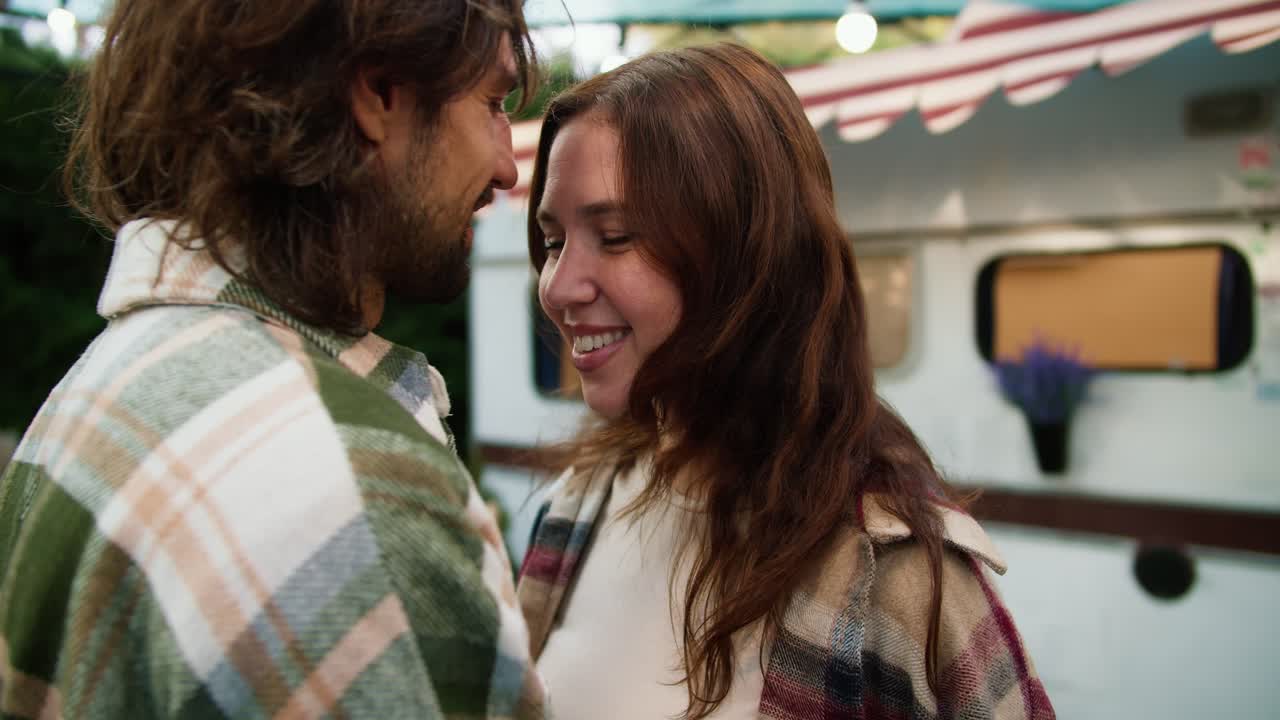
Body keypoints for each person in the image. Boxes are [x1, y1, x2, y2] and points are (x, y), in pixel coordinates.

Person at [0, 1, 547, 717]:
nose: (507, 167)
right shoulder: (353, 491)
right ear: (379, 95)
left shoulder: (98, 386)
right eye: (493, 102)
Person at [518, 44, 1055, 720]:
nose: (558, 285)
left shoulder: (900, 578)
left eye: (616, 235)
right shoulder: (579, 505)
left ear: (747, 252)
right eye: (554, 240)